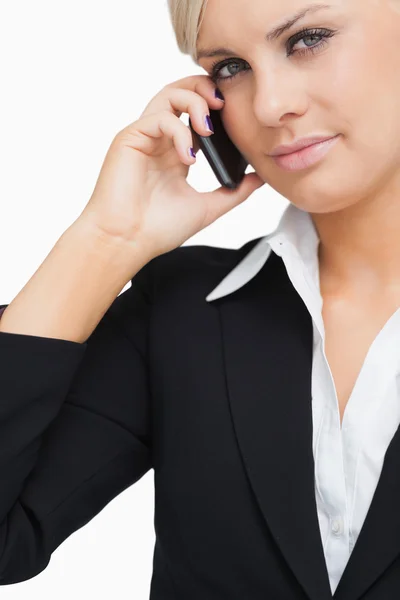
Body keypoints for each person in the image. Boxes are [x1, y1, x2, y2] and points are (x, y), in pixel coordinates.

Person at [1, 0, 400, 597]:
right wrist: (105, 242)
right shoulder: (183, 311)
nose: (268, 106)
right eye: (231, 68)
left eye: (307, 39)